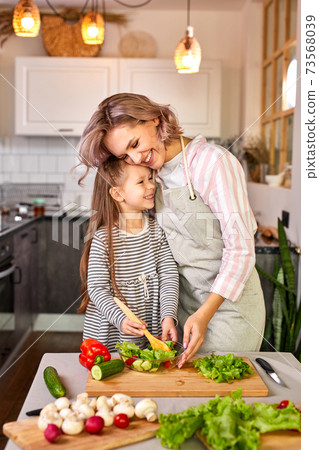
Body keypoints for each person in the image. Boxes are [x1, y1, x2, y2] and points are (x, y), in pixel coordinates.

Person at [77, 93, 266, 367]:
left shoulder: (213, 163)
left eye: (135, 143)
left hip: (227, 311)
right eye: (124, 155)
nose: (135, 157)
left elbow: (242, 251)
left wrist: (204, 315)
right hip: (181, 311)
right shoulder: (153, 174)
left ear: (154, 119)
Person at [78, 156, 179, 351]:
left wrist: (168, 316)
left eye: (150, 178)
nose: (151, 186)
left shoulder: (157, 230)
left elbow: (169, 276)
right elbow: (97, 289)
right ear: (117, 193)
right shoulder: (103, 239)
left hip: (149, 325)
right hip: (110, 331)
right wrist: (120, 319)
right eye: (141, 182)